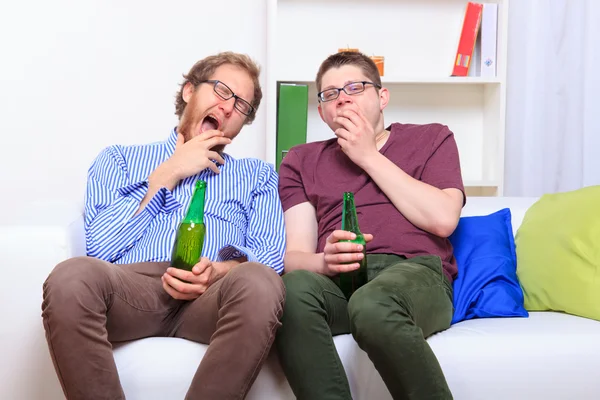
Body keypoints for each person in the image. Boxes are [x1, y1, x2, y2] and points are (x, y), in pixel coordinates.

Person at [41, 52, 286, 400]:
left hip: (211, 295)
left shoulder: (257, 176)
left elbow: (271, 257)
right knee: (70, 277)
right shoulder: (119, 160)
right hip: (132, 290)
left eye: (243, 105)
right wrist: (169, 172)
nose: (229, 108)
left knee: (261, 282)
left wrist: (218, 271)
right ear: (189, 91)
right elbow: (99, 246)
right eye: (222, 90)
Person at [275, 51, 466, 400]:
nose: (343, 97)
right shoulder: (300, 160)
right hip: (337, 281)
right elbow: (295, 257)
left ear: (382, 97)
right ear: (322, 112)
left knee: (372, 304)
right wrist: (323, 261)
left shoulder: (432, 138)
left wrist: (367, 154)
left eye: (355, 87)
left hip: (414, 272)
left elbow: (443, 219)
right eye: (330, 94)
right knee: (292, 290)